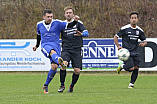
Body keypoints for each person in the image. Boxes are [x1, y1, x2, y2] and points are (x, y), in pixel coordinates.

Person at [33, 9, 79, 94]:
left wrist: (75, 21)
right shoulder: (39, 24)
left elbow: (69, 25)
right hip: (45, 45)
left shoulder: (57, 23)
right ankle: (59, 60)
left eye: (51, 16)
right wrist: (37, 46)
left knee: (54, 67)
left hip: (56, 46)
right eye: (48, 17)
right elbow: (38, 36)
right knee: (52, 52)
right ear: (44, 17)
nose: (50, 18)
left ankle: (45, 85)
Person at [58, 6, 89, 93]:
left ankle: (72, 86)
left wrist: (81, 34)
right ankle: (62, 85)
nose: (68, 14)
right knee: (63, 64)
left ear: (73, 14)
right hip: (66, 49)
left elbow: (86, 33)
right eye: (67, 13)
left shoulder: (78, 23)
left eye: (70, 13)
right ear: (64, 14)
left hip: (76, 49)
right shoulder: (62, 24)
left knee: (77, 70)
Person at [114, 11, 147, 89]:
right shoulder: (125, 28)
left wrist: (143, 44)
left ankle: (131, 84)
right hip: (126, 52)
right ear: (130, 19)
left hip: (135, 52)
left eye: (135, 18)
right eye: (132, 18)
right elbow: (115, 37)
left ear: (138, 19)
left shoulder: (139, 31)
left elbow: (145, 41)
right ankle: (122, 66)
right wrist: (118, 46)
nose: (134, 20)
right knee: (131, 68)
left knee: (136, 68)